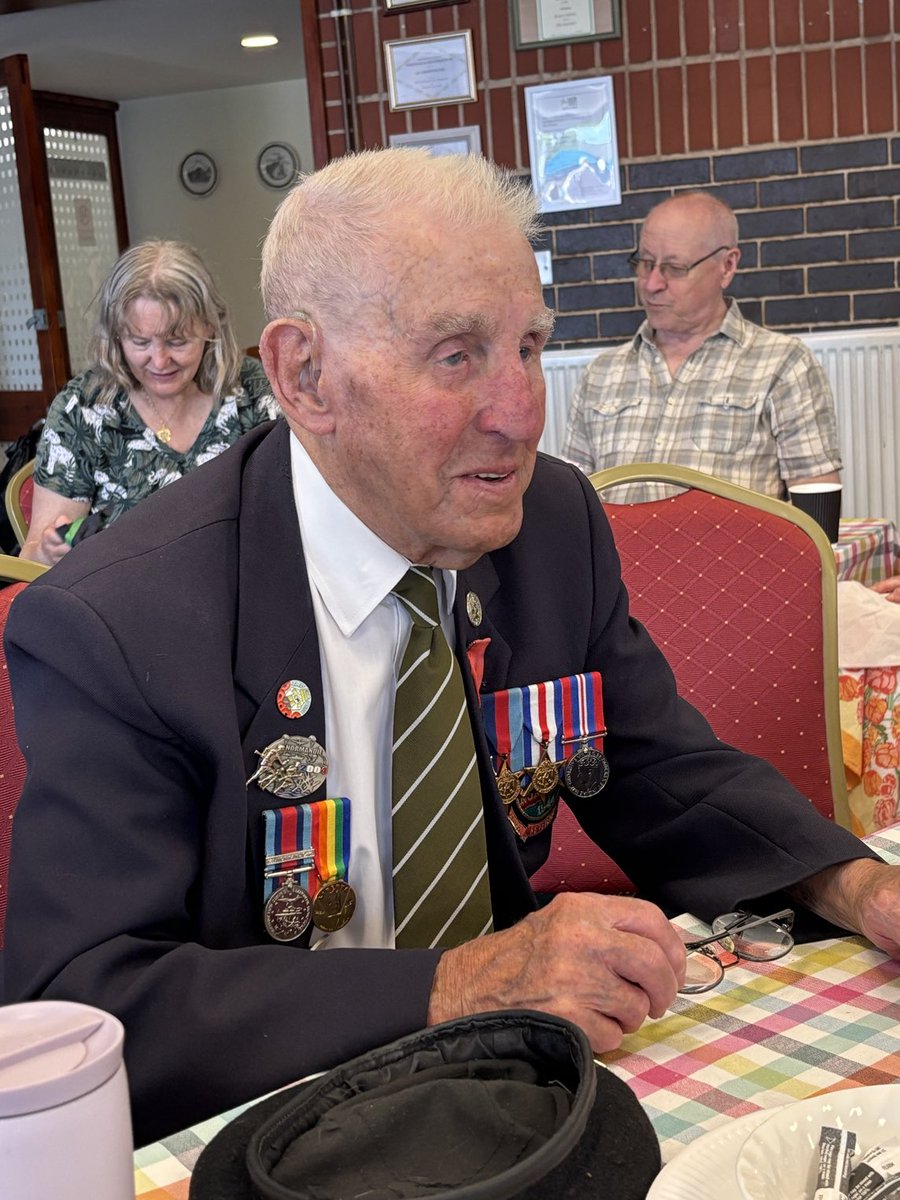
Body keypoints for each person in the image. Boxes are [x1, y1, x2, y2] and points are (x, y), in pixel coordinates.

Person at [3, 150, 899, 1151]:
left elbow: (660, 769)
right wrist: (456, 985)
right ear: (304, 375)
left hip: (516, 1107)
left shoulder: (549, 523)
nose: (521, 411)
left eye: (528, 346)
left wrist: (858, 886)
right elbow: (81, 1002)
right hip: (278, 1131)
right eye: (457, 355)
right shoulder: (122, 621)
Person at [561, 191, 842, 503]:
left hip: (733, 538)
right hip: (616, 538)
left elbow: (816, 503)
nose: (652, 284)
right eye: (645, 263)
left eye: (675, 268)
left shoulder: (784, 365)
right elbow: (572, 502)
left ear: (727, 266)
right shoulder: (600, 375)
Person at [21, 239, 278, 566]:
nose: (159, 360)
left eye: (177, 341)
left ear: (210, 327)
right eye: (140, 342)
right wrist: (48, 552)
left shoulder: (253, 391)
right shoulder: (83, 410)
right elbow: (31, 559)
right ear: (116, 334)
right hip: (122, 591)